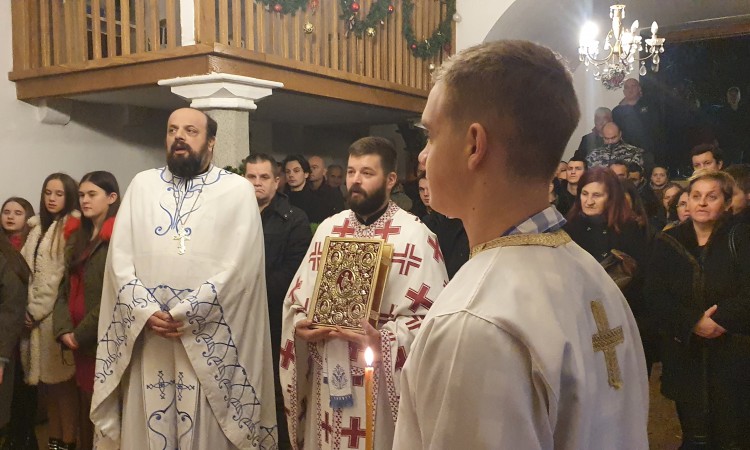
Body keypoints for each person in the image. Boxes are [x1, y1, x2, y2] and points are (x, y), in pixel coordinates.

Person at [393, 40, 648, 449]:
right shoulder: (593, 276)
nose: (422, 156)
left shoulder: (475, 321)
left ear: (474, 145)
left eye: (430, 134)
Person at [91, 108, 277, 450]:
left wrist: (189, 312)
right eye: (172, 129)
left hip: (206, 336)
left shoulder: (236, 191)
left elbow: (242, 267)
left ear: (211, 142)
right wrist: (146, 311)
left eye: (191, 130)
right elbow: (119, 259)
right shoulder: (142, 185)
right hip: (149, 337)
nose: (179, 136)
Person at [281, 137, 448, 450]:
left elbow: (432, 322)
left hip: (381, 383)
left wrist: (383, 340)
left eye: (367, 173)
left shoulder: (415, 236)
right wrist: (300, 321)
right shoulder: (329, 229)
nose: (355, 180)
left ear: (391, 179)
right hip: (328, 369)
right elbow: (297, 298)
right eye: (351, 171)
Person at [645, 170, 750, 449]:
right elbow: (655, 295)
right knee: (695, 436)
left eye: (712, 197)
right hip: (686, 354)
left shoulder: (740, 237)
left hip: (733, 354)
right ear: (687, 203)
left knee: (733, 435)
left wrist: (721, 321)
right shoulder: (668, 242)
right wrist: (692, 322)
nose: (702, 203)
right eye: (696, 196)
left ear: (727, 203)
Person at [244, 153, 312, 450]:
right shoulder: (235, 216)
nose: (256, 183)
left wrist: (247, 291)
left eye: (263, 178)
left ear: (276, 181)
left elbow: (293, 271)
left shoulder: (294, 219)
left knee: (275, 389)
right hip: (238, 319)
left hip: (273, 318)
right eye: (251, 177)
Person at [52, 171, 119, 450]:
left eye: (92, 194)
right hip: (76, 339)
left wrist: (81, 334)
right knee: (83, 404)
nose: (84, 200)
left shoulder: (117, 237)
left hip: (100, 339)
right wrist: (64, 329)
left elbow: (112, 296)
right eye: (81, 195)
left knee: (102, 411)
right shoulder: (76, 236)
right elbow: (63, 288)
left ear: (111, 197)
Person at [564, 168, 653, 375]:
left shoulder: (628, 228)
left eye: (597, 195)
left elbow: (641, 273)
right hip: (580, 314)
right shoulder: (570, 228)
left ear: (611, 197)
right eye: (584, 194)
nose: (589, 201)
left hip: (622, 312)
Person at [20, 173, 79, 450]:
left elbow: (53, 277)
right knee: (48, 388)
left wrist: (34, 311)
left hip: (54, 317)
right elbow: (27, 273)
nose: (52, 198)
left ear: (69, 197)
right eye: (48, 193)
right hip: (35, 320)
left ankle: (68, 441)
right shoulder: (37, 228)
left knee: (63, 388)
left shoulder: (69, 227)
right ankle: (54, 440)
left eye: (58, 194)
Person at [0, 196, 36, 450]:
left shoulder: (34, 245)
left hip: (24, 330)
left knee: (23, 393)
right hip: (8, 333)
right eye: (6, 212)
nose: (10, 216)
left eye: (17, 212)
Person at [419, 173, 469, 279]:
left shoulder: (468, 221)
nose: (426, 194)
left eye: (429, 189)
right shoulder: (426, 222)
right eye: (421, 189)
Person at [612, 78, 664, 164]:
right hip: (627, 154)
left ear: (639, 88)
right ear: (624, 91)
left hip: (649, 152)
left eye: (633, 86)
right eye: (627, 87)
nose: (630, 90)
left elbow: (657, 127)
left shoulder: (650, 105)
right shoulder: (617, 111)